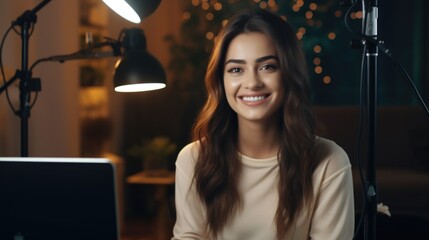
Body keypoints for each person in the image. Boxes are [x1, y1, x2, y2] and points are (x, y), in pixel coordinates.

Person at [172, 8, 354, 240]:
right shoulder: (194, 159)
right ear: (221, 81)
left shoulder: (329, 161)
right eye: (236, 69)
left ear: (289, 73)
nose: (252, 83)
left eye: (267, 66)